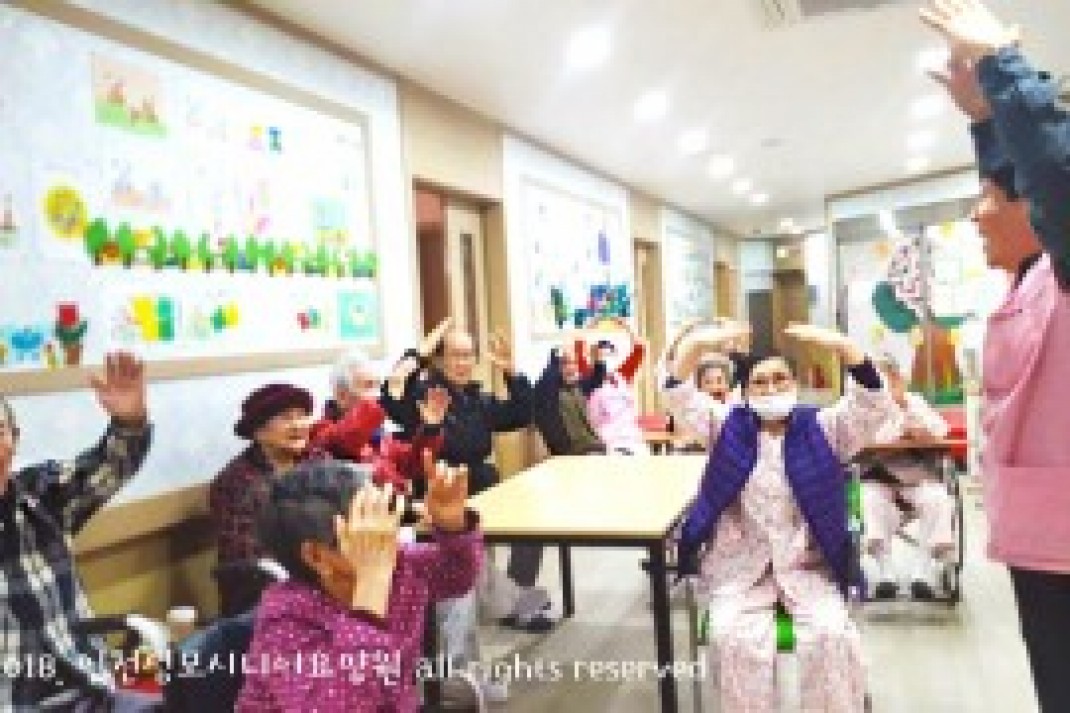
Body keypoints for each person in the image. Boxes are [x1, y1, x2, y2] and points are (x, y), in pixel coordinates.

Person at [922, 2, 1070, 708]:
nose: (977, 213)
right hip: (1041, 543)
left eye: (987, 197)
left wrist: (1002, 69)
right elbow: (1023, 184)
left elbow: (1052, 180)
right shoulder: (1034, 274)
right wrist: (985, 121)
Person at [675, 323, 896, 713]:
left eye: (780, 379)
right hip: (740, 569)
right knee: (731, 637)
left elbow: (871, 403)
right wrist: (698, 344)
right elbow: (677, 392)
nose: (771, 388)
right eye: (760, 383)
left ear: (795, 385)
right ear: (745, 393)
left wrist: (843, 346)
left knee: (831, 635)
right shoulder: (726, 427)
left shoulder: (824, 428)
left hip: (809, 566)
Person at [237, 453, 483, 712]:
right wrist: (371, 588)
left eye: (386, 519)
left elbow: (457, 575)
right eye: (368, 533)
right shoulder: (285, 619)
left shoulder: (399, 565)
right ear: (317, 556)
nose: (389, 537)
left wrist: (452, 525)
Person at [0, 352, 153, 710]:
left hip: (90, 682)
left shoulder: (41, 493)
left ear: (14, 440)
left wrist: (129, 421)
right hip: (14, 700)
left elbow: (110, 465)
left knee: (182, 690)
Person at [859, 354, 954, 601]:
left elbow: (941, 430)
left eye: (889, 380)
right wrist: (899, 430)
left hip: (917, 475)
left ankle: (923, 571)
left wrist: (912, 418)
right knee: (870, 499)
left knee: (938, 498)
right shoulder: (865, 408)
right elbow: (868, 440)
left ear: (898, 379)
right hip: (878, 476)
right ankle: (885, 572)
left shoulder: (915, 401)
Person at [311, 349, 446, 495]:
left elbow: (412, 464)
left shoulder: (379, 435)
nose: (377, 393)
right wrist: (385, 399)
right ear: (342, 396)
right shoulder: (323, 431)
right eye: (369, 386)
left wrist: (431, 428)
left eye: (378, 385)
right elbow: (347, 440)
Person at [577, 318, 648, 454]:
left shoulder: (622, 374)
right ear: (592, 356)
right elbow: (578, 346)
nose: (604, 358)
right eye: (600, 355)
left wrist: (626, 326)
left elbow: (639, 349)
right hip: (603, 439)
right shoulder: (587, 374)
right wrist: (589, 326)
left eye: (608, 353)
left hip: (630, 437)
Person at [529, 341, 608, 457]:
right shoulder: (547, 391)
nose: (572, 367)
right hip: (571, 451)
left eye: (574, 363)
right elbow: (548, 378)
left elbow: (597, 379)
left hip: (592, 446)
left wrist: (598, 359)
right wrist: (558, 354)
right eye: (566, 363)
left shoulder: (577, 386)